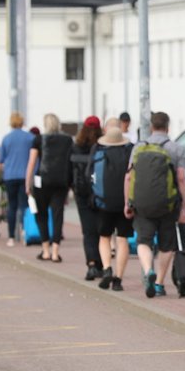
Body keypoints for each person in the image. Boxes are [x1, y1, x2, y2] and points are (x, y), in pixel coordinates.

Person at [124, 111, 185, 298]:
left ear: (151, 127)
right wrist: (183, 208)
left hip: (142, 202)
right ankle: (159, 282)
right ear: (168, 127)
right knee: (166, 244)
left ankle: (147, 270)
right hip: (168, 204)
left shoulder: (138, 148)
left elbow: (128, 177)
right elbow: (181, 178)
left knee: (143, 240)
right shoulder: (176, 148)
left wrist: (127, 202)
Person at [25, 113, 73, 262]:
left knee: (41, 215)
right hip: (61, 182)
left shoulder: (38, 139)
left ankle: (45, 249)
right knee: (58, 215)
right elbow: (70, 161)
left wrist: (28, 184)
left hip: (42, 181)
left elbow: (32, 163)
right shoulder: (67, 140)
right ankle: (55, 251)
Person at [95, 124, 135, 292]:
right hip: (125, 203)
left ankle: (106, 268)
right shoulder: (129, 152)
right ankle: (118, 279)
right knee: (122, 239)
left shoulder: (99, 152)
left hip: (104, 202)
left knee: (104, 237)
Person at [71, 116, 104, 281]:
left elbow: (69, 170)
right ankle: (101, 264)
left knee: (88, 230)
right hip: (100, 192)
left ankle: (91, 264)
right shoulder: (101, 147)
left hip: (81, 193)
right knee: (100, 229)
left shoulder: (75, 147)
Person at [0, 113, 35, 247]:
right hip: (25, 175)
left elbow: (1, 159)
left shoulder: (6, 138)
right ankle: (26, 232)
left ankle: (11, 237)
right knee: (24, 206)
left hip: (10, 175)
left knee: (12, 206)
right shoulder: (30, 138)